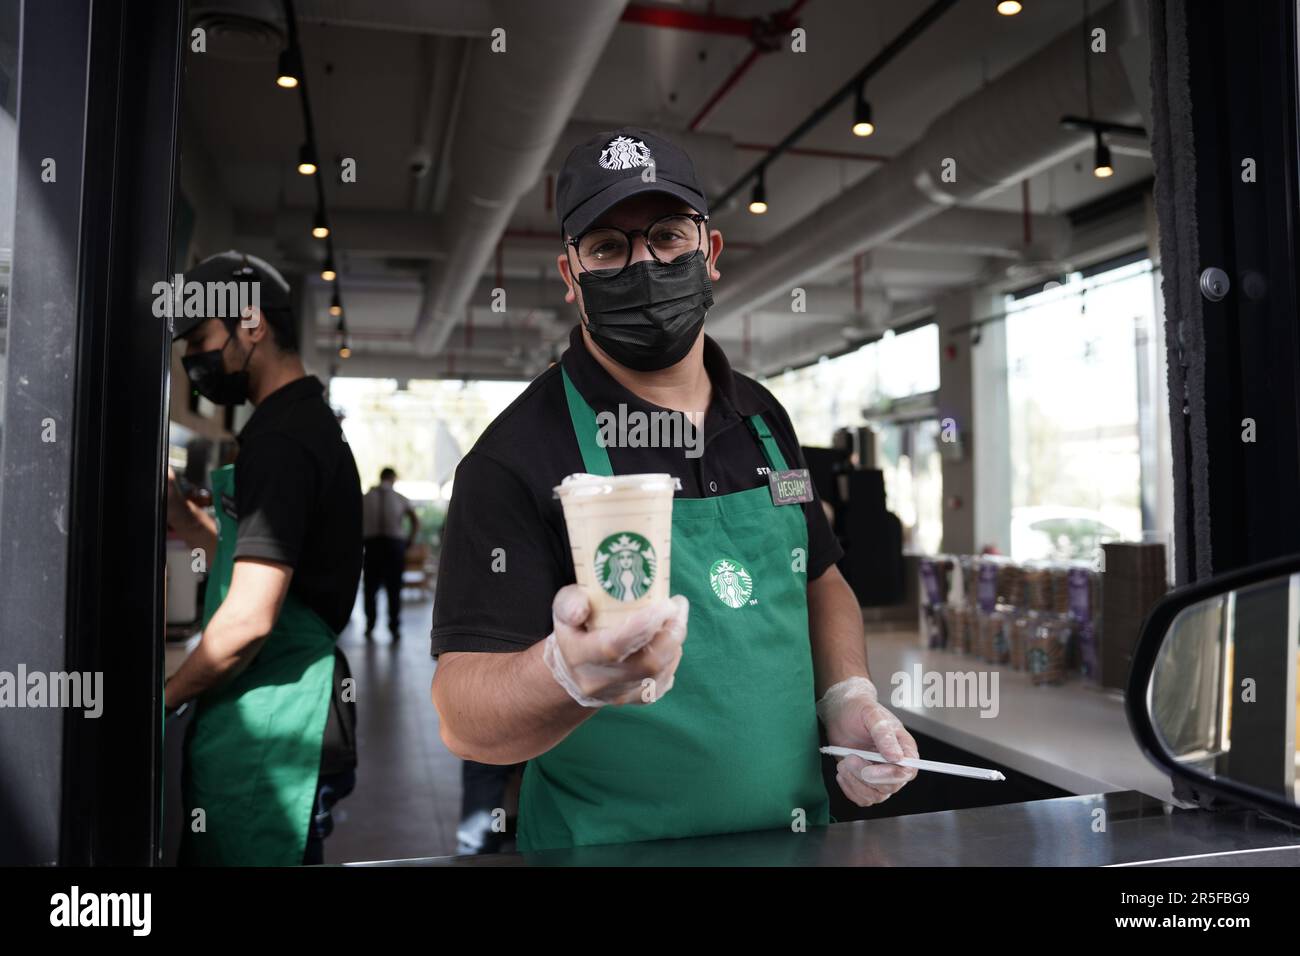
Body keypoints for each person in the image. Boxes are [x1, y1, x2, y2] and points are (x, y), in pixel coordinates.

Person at [430, 128, 920, 852]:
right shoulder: (514, 457)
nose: (644, 264)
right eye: (607, 248)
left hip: (791, 842)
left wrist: (847, 696)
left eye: (666, 236)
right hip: (604, 853)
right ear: (571, 275)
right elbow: (462, 717)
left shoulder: (762, 419)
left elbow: (821, 579)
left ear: (709, 252)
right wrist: (566, 674)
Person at [164, 250, 363, 865]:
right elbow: (250, 561)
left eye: (201, 337)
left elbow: (250, 616)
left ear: (251, 323)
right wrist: (179, 516)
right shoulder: (298, 423)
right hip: (274, 709)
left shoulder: (281, 441)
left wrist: (163, 697)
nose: (193, 358)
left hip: (271, 724)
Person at [362, 467, 419, 640]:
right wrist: (409, 540)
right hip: (394, 546)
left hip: (371, 546)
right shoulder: (400, 498)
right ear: (393, 478)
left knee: (370, 588)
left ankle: (370, 624)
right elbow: (415, 520)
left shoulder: (365, 498)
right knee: (394, 588)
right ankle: (394, 627)